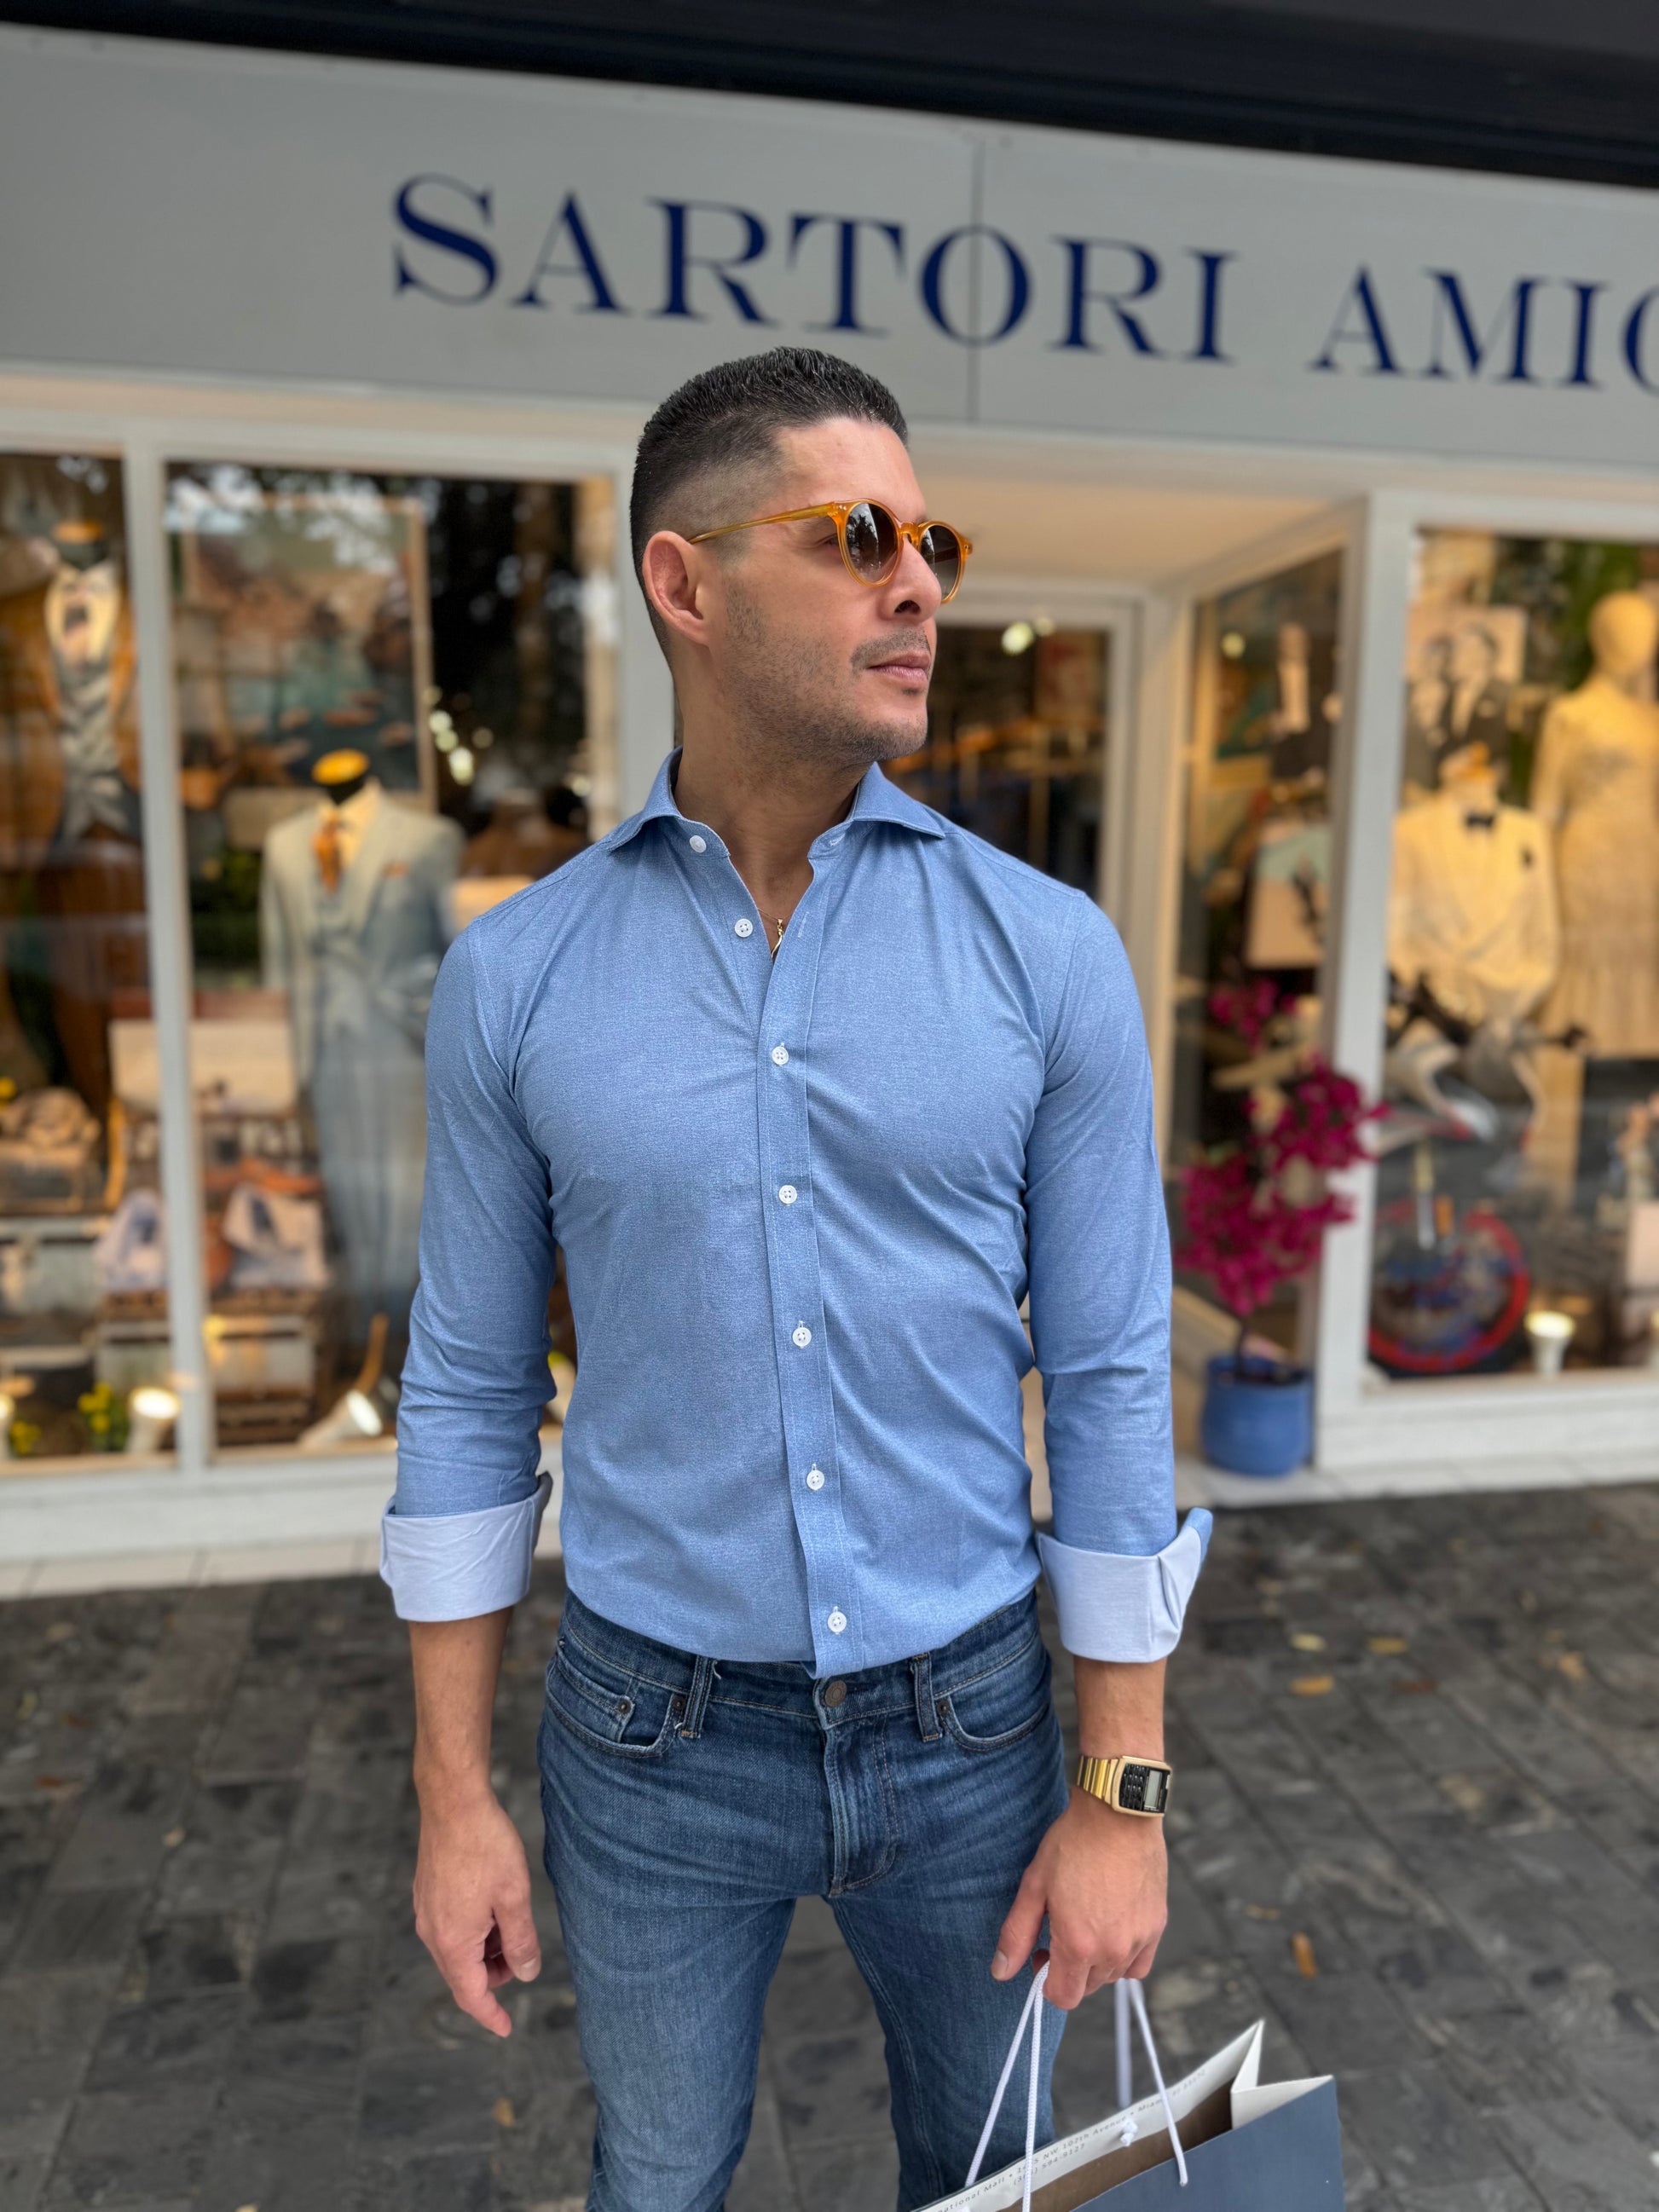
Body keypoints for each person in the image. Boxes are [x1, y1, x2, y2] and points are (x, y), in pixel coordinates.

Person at [382, 345, 1211, 2212]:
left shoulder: (1047, 955)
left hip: (973, 1727)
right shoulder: (518, 978)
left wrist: (1122, 1794)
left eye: (933, 543)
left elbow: (1106, 1373)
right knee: (658, 2176)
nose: (919, 585)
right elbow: (467, 1390)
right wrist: (450, 1794)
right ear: (683, 582)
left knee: (995, 2182)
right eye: (856, 537)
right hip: (647, 1742)